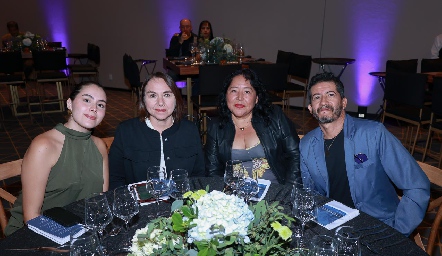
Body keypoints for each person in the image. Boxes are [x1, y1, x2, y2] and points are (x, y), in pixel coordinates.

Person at [299, 72, 430, 236]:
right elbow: (310, 194)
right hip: (334, 229)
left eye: (330, 94)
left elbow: (417, 185)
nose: (323, 101)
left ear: (344, 102)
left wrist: (397, 233)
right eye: (316, 97)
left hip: (378, 229)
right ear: (311, 108)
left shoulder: (374, 134)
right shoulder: (306, 145)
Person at [5, 81, 109, 236]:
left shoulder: (100, 146)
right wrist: (72, 238)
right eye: (87, 100)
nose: (94, 108)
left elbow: (101, 201)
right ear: (69, 103)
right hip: (36, 233)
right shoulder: (44, 146)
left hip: (82, 228)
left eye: (100, 105)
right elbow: (32, 217)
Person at [109, 72, 205, 190]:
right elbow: (115, 179)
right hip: (139, 205)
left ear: (176, 99)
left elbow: (199, 176)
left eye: (167, 95)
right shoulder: (125, 131)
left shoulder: (190, 130)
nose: (160, 102)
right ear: (143, 100)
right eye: (153, 95)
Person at [205, 68, 301, 185]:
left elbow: (295, 154)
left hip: (275, 192)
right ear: (226, 96)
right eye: (234, 91)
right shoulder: (216, 127)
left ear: (256, 99)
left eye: (247, 92)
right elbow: (213, 171)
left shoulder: (274, 117)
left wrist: (289, 191)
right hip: (235, 196)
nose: (239, 97)